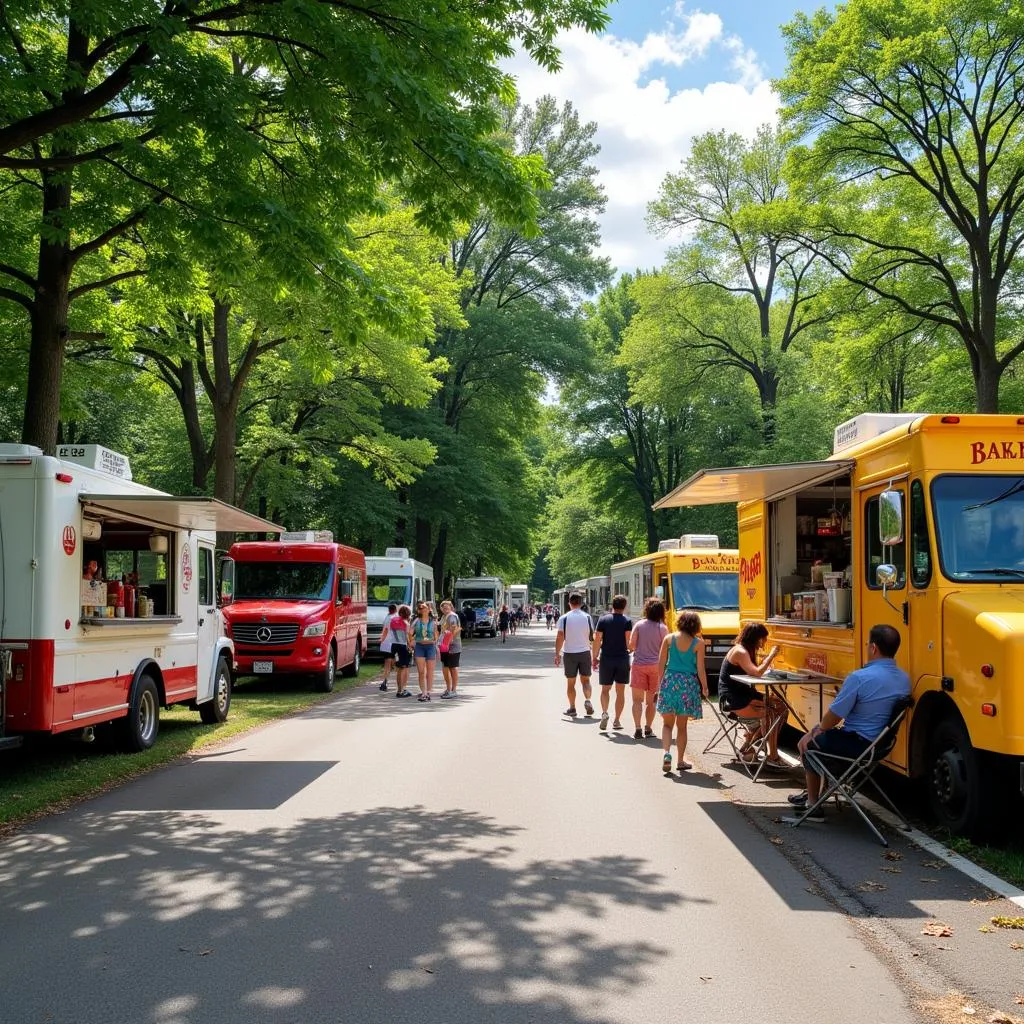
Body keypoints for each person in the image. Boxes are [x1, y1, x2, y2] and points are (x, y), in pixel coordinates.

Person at [789, 624, 911, 820]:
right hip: (880, 746)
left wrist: (815, 731)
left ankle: (813, 804)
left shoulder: (860, 677)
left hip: (856, 744)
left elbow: (833, 717)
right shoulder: (904, 679)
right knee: (822, 740)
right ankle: (823, 791)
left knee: (808, 745)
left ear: (873, 648)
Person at [719, 623, 787, 767]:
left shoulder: (745, 651)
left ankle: (748, 748)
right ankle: (772, 755)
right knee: (770, 714)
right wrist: (772, 655)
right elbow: (756, 672)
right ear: (756, 638)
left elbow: (754, 671)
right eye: (763, 639)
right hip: (733, 700)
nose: (765, 642)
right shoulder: (740, 652)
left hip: (744, 695)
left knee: (781, 707)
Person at [656, 611, 708, 773]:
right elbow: (700, 668)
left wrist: (660, 683)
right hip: (688, 684)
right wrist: (705, 687)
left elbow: (661, 663)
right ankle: (680, 760)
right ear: (696, 625)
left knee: (666, 724)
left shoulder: (669, 639)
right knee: (682, 727)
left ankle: (666, 753)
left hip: (670, 681)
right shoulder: (698, 644)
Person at [628, 598, 669, 739]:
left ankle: (637, 728)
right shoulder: (663, 628)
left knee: (637, 700)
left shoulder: (639, 625)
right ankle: (648, 728)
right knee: (650, 701)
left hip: (639, 665)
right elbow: (666, 649)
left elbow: (631, 645)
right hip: (655, 667)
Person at [592, 594, 632, 732]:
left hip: (606, 658)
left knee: (605, 689)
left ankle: (604, 712)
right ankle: (617, 720)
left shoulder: (603, 620)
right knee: (620, 691)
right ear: (624, 606)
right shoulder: (627, 621)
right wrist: (631, 650)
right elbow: (629, 642)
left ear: (612, 605)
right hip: (622, 659)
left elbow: (597, 639)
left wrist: (594, 657)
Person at [554, 592, 594, 718]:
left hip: (570, 653)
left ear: (569, 603)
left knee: (571, 683)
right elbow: (591, 636)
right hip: (585, 652)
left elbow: (560, 636)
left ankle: (572, 708)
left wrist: (557, 654)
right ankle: (588, 700)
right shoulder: (587, 617)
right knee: (586, 680)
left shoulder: (564, 618)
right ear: (581, 603)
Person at [412, 602, 438, 701]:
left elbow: (436, 634)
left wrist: (436, 641)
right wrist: (411, 640)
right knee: (421, 672)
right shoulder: (416, 621)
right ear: (419, 610)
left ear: (429, 609)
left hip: (430, 646)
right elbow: (410, 632)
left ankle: (428, 692)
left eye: (425, 608)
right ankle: (423, 692)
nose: (423, 609)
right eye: (421, 608)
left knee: (430, 672)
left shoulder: (433, 621)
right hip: (419, 646)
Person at [438, 599, 462, 699]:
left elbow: (454, 628)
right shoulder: (444, 616)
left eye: (447, 607)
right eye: (443, 607)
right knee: (446, 666)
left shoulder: (451, 616)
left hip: (452, 646)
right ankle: (448, 689)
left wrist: (449, 640)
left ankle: (453, 690)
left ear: (451, 607)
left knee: (452, 667)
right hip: (444, 645)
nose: (445, 608)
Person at [389, 604, 414, 697]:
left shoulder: (393, 620)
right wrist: (411, 646)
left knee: (399, 669)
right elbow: (408, 636)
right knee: (404, 669)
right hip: (403, 647)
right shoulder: (406, 623)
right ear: (408, 614)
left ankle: (400, 689)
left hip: (394, 646)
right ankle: (401, 690)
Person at [378, 603, 397, 691]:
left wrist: (381, 639)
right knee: (394, 663)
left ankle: (385, 681)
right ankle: (390, 682)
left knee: (387, 663)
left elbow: (384, 629)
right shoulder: (396, 617)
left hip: (386, 643)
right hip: (393, 643)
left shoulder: (387, 617)